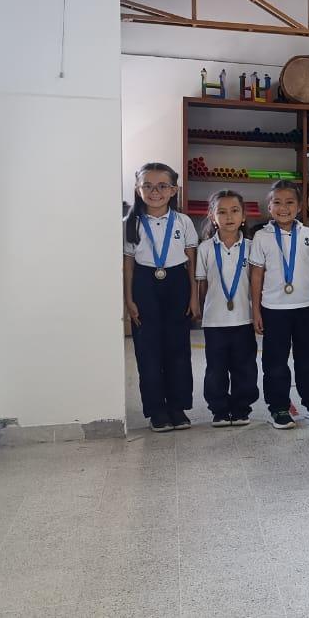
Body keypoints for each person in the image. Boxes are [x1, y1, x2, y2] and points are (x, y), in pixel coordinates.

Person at [123, 162, 199, 432]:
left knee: (177, 349)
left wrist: (193, 295)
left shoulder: (183, 222)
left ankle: (177, 408)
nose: (155, 191)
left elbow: (191, 261)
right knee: (148, 350)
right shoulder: (130, 223)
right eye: (148, 185)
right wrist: (129, 299)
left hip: (177, 282)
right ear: (137, 188)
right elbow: (129, 264)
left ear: (173, 190)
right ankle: (157, 410)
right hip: (144, 284)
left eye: (162, 186)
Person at [249, 180, 309, 429]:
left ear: (300, 206)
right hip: (274, 309)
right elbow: (256, 276)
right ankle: (279, 407)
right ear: (269, 207)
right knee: (275, 362)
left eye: (290, 202)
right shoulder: (261, 237)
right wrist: (256, 310)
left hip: (306, 307)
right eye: (277, 202)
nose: (284, 208)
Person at [196, 190, 258, 426]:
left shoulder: (252, 247)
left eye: (234, 211)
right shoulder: (205, 249)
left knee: (245, 368)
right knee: (215, 369)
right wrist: (202, 308)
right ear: (213, 217)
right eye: (222, 211)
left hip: (244, 319)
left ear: (243, 216)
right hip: (215, 321)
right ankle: (219, 409)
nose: (229, 216)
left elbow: (257, 283)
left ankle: (242, 408)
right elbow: (201, 284)